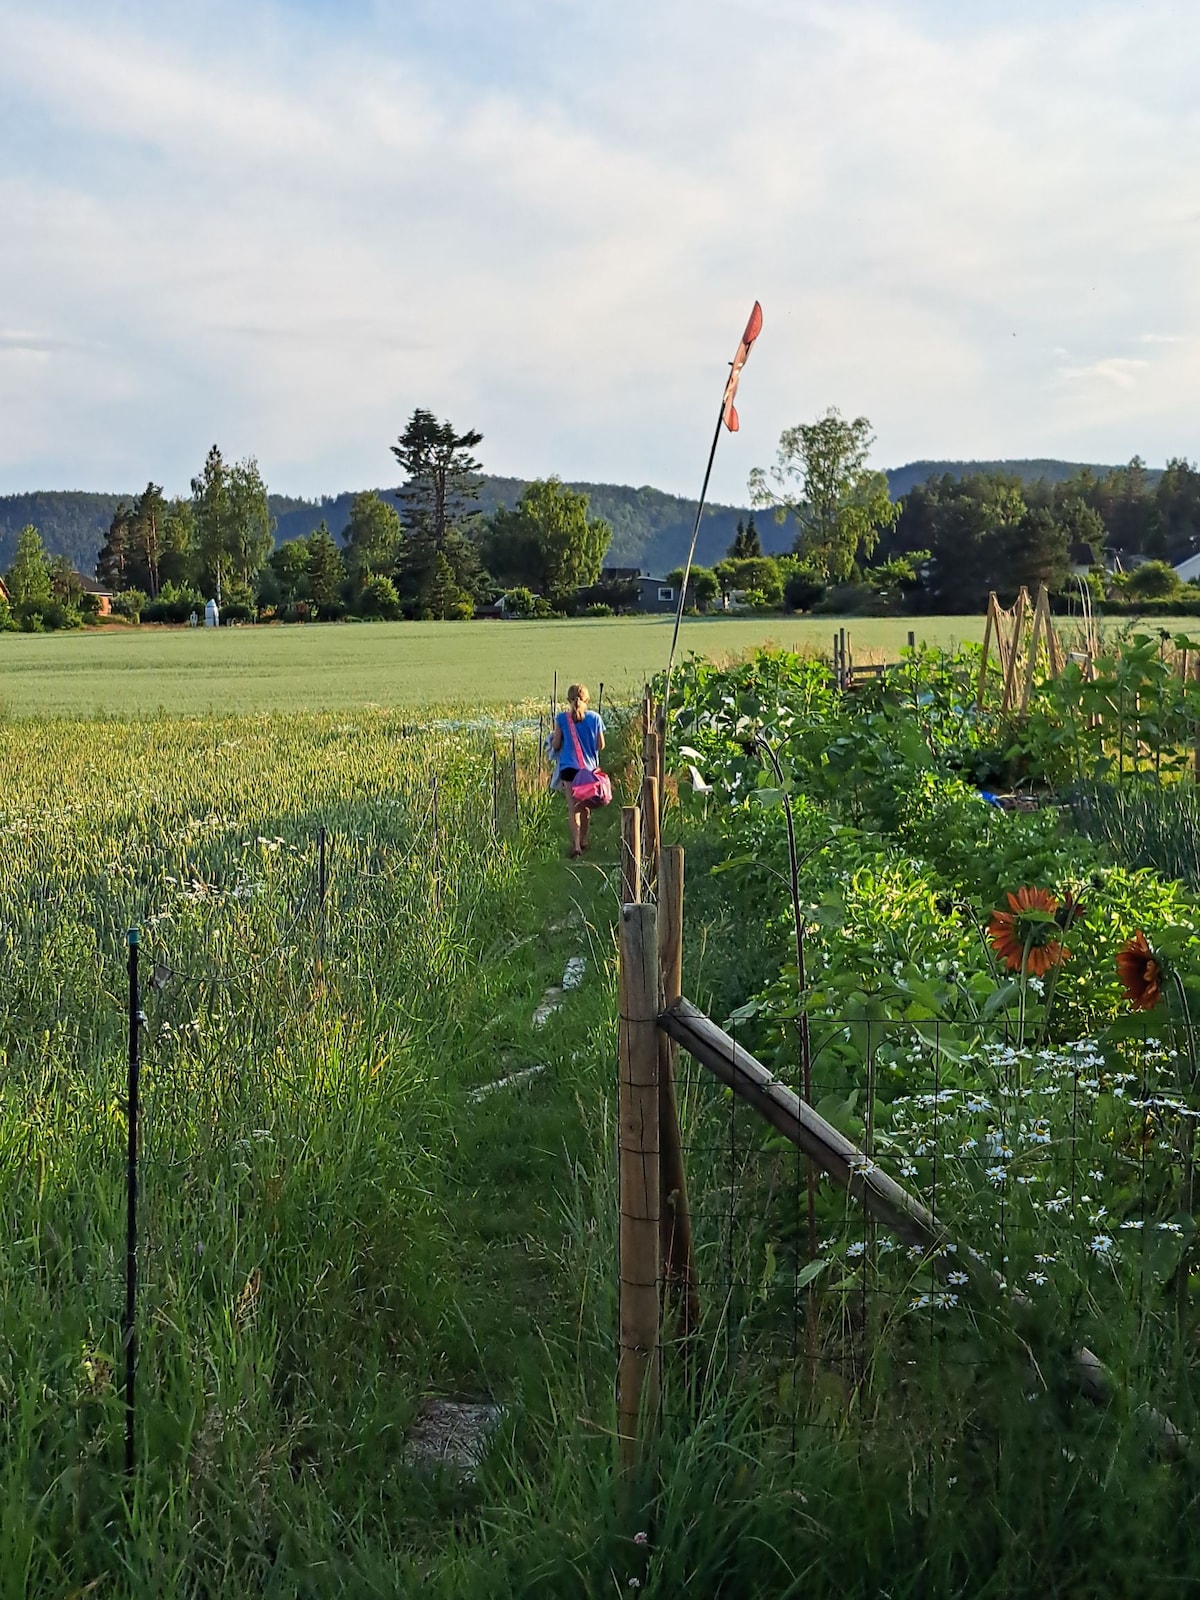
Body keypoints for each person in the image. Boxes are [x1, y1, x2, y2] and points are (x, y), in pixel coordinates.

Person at [551, 683, 606, 859]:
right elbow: (601, 745)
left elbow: (556, 744)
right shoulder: (595, 718)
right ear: (587, 700)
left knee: (572, 807)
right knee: (585, 807)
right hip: (588, 771)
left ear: (568, 700)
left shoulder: (561, 719)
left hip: (568, 768)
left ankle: (575, 846)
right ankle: (584, 839)